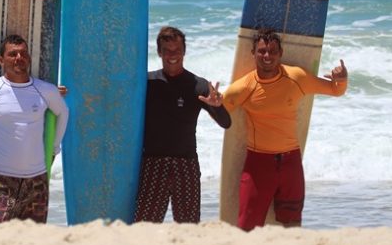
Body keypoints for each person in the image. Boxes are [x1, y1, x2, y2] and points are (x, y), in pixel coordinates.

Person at [222, 29, 348, 231]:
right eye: (262, 51)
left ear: (280, 53)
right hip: (258, 165)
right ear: (253, 53)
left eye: (272, 51)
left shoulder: (296, 77)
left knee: (293, 226)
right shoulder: (245, 86)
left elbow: (335, 90)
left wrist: (341, 79)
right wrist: (211, 103)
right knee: (246, 227)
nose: (267, 56)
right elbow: (220, 110)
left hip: (291, 163)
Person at [0, 34, 69, 225]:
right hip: (2, 182)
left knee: (32, 241)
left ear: (29, 58)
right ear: (1, 60)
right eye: (13, 54)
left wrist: (55, 148)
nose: (19, 58)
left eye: (23, 53)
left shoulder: (46, 90)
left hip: (37, 182)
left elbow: (63, 113)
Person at [134, 26, 231, 223]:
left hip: (186, 165)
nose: (172, 55)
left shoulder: (198, 85)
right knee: (143, 228)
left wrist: (218, 106)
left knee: (189, 228)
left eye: (177, 50)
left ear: (184, 51)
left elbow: (226, 123)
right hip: (153, 163)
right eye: (167, 50)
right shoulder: (147, 82)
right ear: (159, 52)